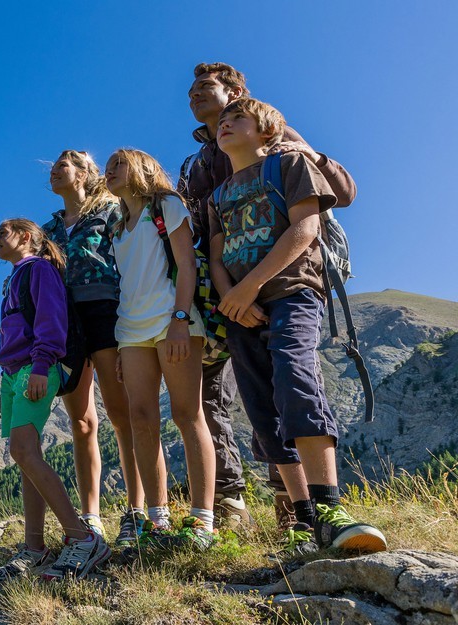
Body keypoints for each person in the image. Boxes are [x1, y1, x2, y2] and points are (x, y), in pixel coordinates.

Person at [177, 62, 358, 530]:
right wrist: (224, 293)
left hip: (286, 279)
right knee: (229, 394)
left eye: (206, 88)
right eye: (191, 90)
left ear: (237, 92)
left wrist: (301, 151)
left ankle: (306, 507)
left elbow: (338, 195)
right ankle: (235, 500)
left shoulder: (278, 140)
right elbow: (201, 235)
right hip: (220, 293)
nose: (194, 96)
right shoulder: (196, 165)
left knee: (291, 378)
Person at [208, 98, 386, 556]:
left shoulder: (290, 163)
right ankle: (304, 520)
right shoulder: (217, 195)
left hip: (293, 293)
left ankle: (330, 508)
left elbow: (304, 231)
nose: (225, 123)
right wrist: (234, 300)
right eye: (222, 121)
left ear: (267, 131)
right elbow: (215, 256)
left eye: (237, 118)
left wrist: (248, 288)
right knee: (262, 406)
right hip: (241, 311)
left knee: (296, 381)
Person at [104, 149, 220, 549]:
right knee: (140, 418)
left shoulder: (166, 205)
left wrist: (180, 320)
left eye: (119, 164)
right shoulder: (118, 227)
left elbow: (186, 265)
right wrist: (121, 346)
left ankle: (203, 521)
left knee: (188, 415)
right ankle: (157, 520)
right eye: (108, 167)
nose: (110, 171)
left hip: (174, 321)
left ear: (142, 168)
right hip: (131, 330)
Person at [0, 218, 111, 581]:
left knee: (23, 452)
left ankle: (83, 538)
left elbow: (50, 321)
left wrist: (42, 365)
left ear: (25, 237)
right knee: (28, 458)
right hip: (13, 374)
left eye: (2, 235)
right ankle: (35, 548)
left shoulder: (38, 270)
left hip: (34, 369)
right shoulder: (14, 278)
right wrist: (4, 386)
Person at [40, 151, 140, 546]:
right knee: (81, 422)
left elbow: (133, 257)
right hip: (67, 323)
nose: (55, 169)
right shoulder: (47, 229)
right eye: (53, 167)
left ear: (84, 174)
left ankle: (136, 509)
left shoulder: (111, 211)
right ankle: (91, 517)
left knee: (122, 413)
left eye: (64, 164)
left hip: (107, 312)